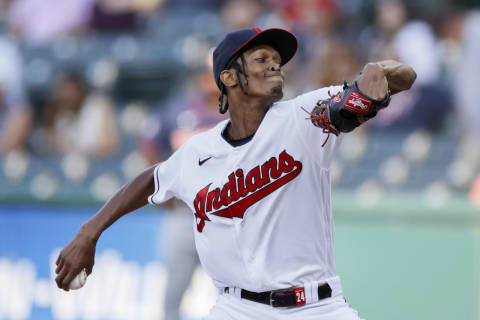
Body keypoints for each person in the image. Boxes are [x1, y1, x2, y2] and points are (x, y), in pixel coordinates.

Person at [55, 28, 416, 319]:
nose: (275, 66)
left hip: (317, 307)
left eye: (278, 60)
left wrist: (379, 74)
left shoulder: (304, 115)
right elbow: (152, 178)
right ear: (228, 76)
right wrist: (89, 233)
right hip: (236, 308)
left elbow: (389, 85)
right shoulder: (198, 151)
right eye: (262, 59)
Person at [140, 64, 227, 320]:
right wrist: (162, 188)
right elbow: (149, 144)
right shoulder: (179, 109)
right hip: (184, 214)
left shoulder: (241, 111)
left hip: (226, 216)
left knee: (233, 295)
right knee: (172, 295)